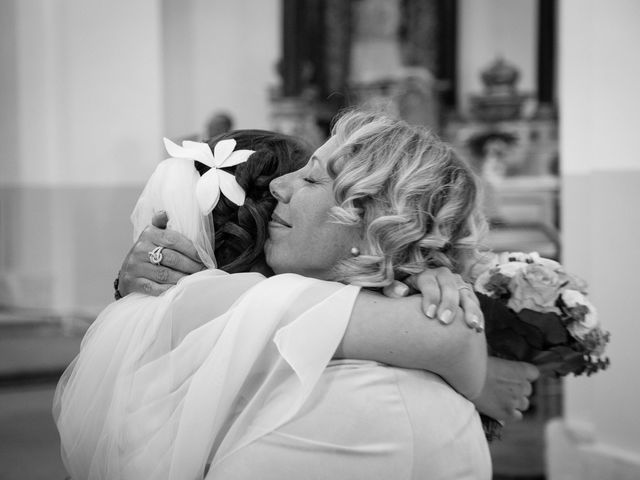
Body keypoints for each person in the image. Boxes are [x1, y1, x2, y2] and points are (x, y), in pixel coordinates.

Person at [54, 113, 530, 479]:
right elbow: (450, 339)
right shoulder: (229, 307)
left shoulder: (369, 395)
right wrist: (480, 373)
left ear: (372, 224)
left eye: (312, 178)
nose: (280, 189)